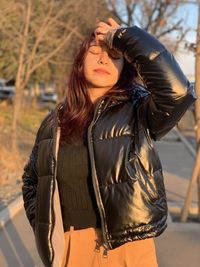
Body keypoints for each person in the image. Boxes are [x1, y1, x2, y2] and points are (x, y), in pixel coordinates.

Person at [21, 18, 196, 267]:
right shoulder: (54, 122)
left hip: (129, 250)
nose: (103, 59)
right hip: (70, 250)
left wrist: (125, 37)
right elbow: (31, 181)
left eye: (114, 56)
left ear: (123, 69)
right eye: (94, 52)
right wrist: (47, 227)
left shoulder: (138, 109)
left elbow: (179, 92)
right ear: (79, 63)